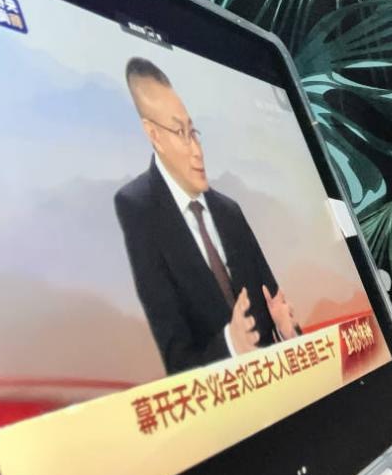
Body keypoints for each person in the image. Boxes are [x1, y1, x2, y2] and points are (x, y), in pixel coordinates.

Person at [115, 57, 302, 375]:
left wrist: (288, 332)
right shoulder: (138, 207)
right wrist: (232, 343)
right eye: (180, 132)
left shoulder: (229, 212)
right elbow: (177, 358)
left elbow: (275, 304)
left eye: (194, 132)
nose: (196, 150)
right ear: (154, 135)